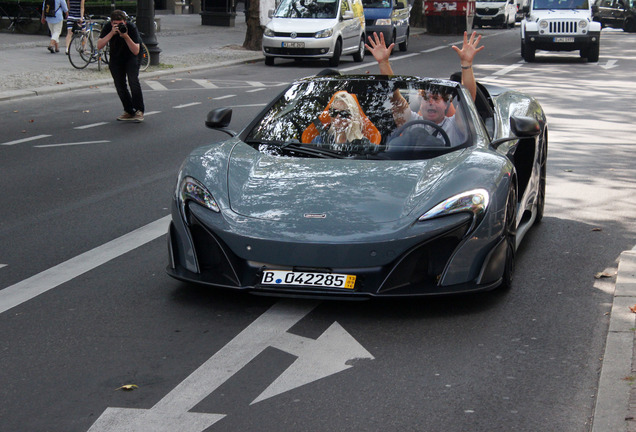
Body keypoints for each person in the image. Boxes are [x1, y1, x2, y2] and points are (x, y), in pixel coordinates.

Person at [365, 31, 484, 145]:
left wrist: (466, 64)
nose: (430, 102)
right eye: (426, 98)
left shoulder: (455, 125)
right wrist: (383, 62)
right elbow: (393, 94)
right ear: (421, 103)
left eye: (436, 98)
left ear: (447, 105)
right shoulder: (411, 121)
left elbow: (468, 99)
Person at [97, 10, 145, 122]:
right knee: (119, 84)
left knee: (133, 81)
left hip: (131, 56)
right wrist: (111, 33)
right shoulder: (108, 27)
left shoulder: (131, 28)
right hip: (116, 56)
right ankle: (129, 110)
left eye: (121, 23)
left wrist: (125, 36)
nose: (118, 26)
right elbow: (99, 45)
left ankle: (139, 110)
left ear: (125, 21)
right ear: (112, 22)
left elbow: (136, 50)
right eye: (115, 24)